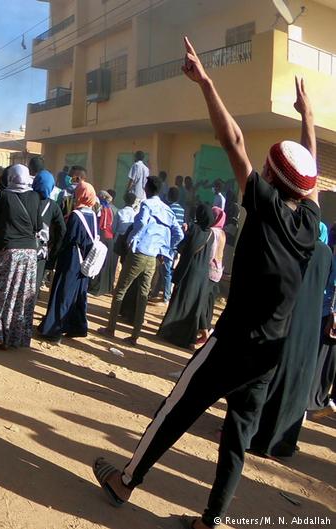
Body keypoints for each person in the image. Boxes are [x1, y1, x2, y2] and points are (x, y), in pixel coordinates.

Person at [93, 40, 322, 529]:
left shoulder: (263, 207)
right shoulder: (308, 223)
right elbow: (311, 179)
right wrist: (308, 117)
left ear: (268, 177)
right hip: (269, 353)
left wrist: (208, 84)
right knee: (236, 436)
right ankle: (211, 520)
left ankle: (125, 480)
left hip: (233, 341)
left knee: (178, 407)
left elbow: (233, 141)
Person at [247, 223, 331, 458]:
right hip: (311, 326)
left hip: (287, 319)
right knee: (298, 381)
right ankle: (283, 443)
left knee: (273, 375)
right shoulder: (327, 254)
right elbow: (326, 287)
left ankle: (258, 436)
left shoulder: (297, 244)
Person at [100, 176, 183, 346]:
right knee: (143, 295)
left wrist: (133, 240)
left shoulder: (147, 205)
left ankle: (111, 328)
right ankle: (135, 335)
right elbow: (179, 234)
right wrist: (166, 249)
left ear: (147, 189)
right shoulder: (168, 210)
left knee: (121, 290)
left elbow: (141, 223)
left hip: (139, 253)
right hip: (153, 257)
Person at [0, 164, 41, 349]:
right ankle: (15, 337)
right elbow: (37, 226)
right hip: (29, 253)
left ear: (12, 177)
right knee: (21, 295)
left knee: (0, 293)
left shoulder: (5, 195)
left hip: (8, 251)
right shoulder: (35, 196)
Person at [37, 182, 98, 344]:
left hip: (71, 260)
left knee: (62, 294)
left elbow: (67, 238)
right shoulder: (93, 216)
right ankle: (77, 326)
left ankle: (53, 331)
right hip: (85, 262)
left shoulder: (76, 216)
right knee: (79, 295)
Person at [156, 205, 218, 349]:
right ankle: (189, 339)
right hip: (202, 274)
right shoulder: (211, 234)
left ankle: (169, 333)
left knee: (181, 300)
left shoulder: (194, 229)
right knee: (193, 306)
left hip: (190, 271)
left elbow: (183, 248)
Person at [309, 246, 336, 419]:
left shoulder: (330, 257)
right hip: (329, 318)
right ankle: (321, 400)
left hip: (326, 317)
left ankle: (315, 401)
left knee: (316, 363)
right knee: (327, 367)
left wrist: (333, 312)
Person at [32, 167, 66, 289]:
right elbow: (62, 230)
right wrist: (54, 251)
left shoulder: (26, 198)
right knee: (34, 285)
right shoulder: (53, 206)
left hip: (24, 245)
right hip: (41, 249)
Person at [89, 190, 116, 296]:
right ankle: (104, 287)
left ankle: (95, 287)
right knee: (105, 264)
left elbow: (100, 224)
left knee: (98, 262)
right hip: (110, 238)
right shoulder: (110, 209)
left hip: (102, 237)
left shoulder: (101, 208)